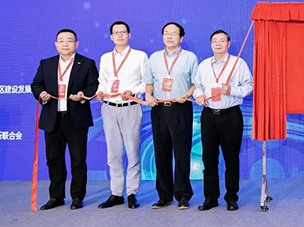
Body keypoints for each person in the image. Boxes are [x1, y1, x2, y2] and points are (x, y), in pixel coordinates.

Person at [31, 29, 99, 210]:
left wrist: (83, 95)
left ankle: (77, 197)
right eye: (61, 41)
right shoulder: (46, 63)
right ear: (56, 44)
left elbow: (94, 84)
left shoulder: (87, 63)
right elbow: (36, 84)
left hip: (76, 118)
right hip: (52, 119)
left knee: (78, 160)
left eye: (69, 40)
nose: (65, 44)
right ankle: (56, 197)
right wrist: (41, 94)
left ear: (76, 44)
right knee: (53, 159)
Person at [194, 30, 253, 211]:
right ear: (210, 44)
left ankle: (231, 198)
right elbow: (197, 86)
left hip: (230, 116)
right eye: (214, 41)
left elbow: (249, 86)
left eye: (222, 40)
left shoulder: (238, 63)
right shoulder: (204, 65)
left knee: (231, 159)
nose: (218, 44)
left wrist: (232, 90)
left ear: (228, 43)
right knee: (209, 159)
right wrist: (199, 96)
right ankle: (210, 198)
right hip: (209, 115)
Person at [145, 22, 199, 210]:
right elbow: (149, 83)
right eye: (166, 33)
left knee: (182, 153)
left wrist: (187, 94)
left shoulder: (190, 57)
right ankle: (164, 196)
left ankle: (183, 195)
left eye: (174, 33)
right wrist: (148, 95)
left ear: (181, 38)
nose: (169, 36)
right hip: (159, 109)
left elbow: (196, 83)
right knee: (161, 153)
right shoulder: (154, 58)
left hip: (180, 108)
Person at [95, 21, 149, 209]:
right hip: (109, 107)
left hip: (130, 107)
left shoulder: (139, 56)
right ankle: (116, 193)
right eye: (116, 32)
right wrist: (100, 92)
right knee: (113, 152)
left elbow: (146, 82)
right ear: (111, 36)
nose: (119, 35)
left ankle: (132, 192)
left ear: (129, 35)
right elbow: (102, 80)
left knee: (132, 151)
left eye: (123, 32)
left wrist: (133, 92)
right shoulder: (105, 58)